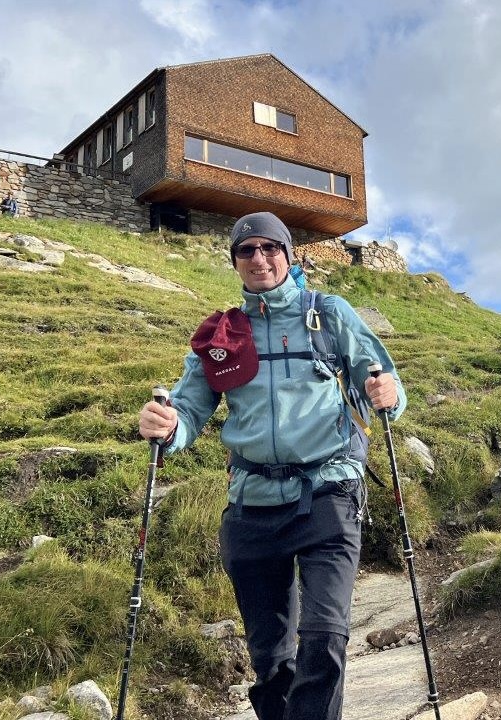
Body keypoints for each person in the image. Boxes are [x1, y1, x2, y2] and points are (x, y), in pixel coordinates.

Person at [137, 211, 405, 720]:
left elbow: (386, 384)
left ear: (289, 254)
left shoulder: (329, 314)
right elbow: (189, 410)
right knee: (271, 660)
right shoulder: (222, 334)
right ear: (235, 262)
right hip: (252, 502)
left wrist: (389, 393)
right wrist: (168, 427)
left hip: (329, 491)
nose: (259, 258)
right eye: (246, 250)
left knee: (324, 639)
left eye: (270, 248)